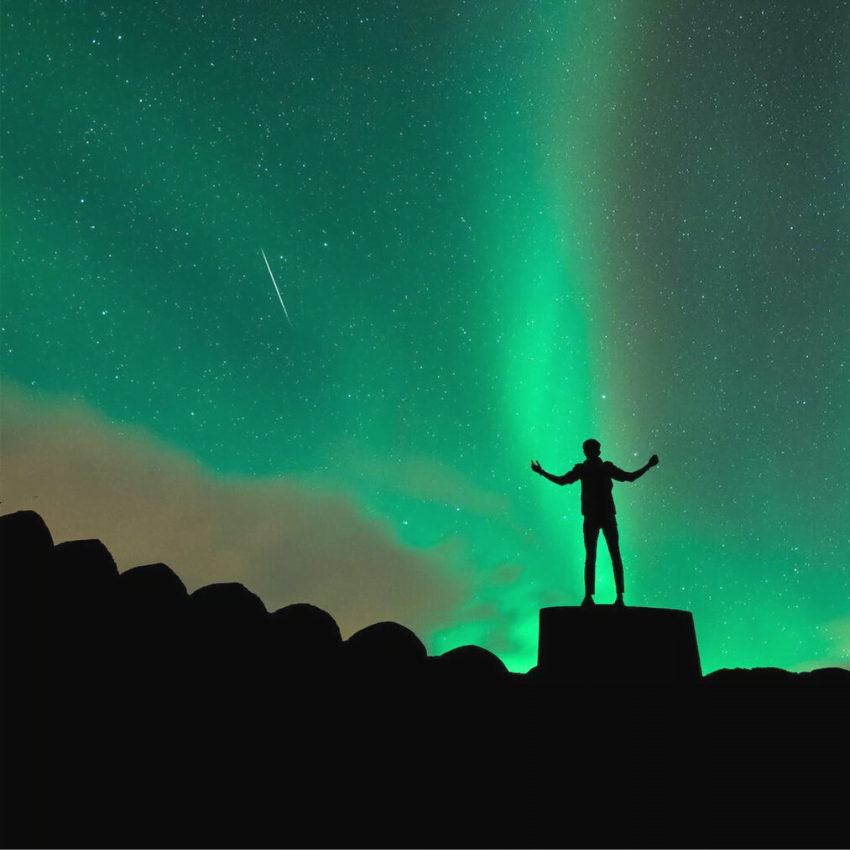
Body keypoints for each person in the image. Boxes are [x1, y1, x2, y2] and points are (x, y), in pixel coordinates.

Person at [531, 439, 658, 607]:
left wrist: (648, 466)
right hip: (597, 516)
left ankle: (607, 596)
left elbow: (629, 477)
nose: (589, 452)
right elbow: (629, 477)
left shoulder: (598, 468)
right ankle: (603, 596)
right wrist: (648, 466)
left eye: (590, 449)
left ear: (593, 451)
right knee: (604, 556)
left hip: (600, 516)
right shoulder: (590, 468)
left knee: (602, 556)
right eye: (588, 449)